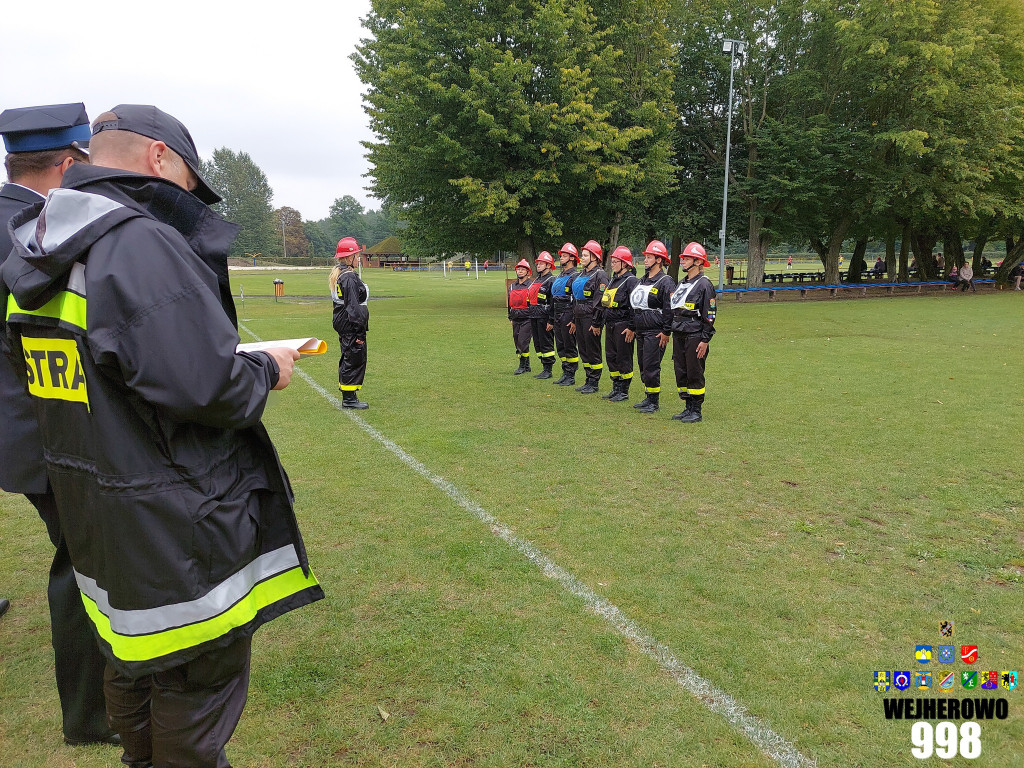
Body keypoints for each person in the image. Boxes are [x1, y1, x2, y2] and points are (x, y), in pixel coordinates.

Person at [0, 104, 324, 768]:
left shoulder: (37, 242)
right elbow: (209, 387)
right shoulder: (134, 240)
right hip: (172, 519)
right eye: (186, 180)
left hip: (99, 510)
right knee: (194, 687)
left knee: (131, 663)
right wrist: (265, 366)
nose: (185, 198)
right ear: (157, 159)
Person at [0, 103, 118, 747]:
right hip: (47, 427)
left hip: (22, 428)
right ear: (72, 163)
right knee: (84, 564)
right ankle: (92, 714)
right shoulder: (29, 229)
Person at [669, 242, 716, 423]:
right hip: (679, 333)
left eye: (687, 259)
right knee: (681, 371)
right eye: (683, 258)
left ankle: (696, 410)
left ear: (698, 262)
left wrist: (705, 339)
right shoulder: (682, 283)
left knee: (694, 371)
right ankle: (687, 407)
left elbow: (710, 314)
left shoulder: (704, 285)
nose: (683, 262)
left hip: (695, 335)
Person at [630, 241, 676, 414]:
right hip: (641, 329)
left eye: (649, 257)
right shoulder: (643, 279)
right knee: (643, 364)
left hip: (655, 331)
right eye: (646, 256)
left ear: (659, 260)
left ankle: (654, 402)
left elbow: (669, 308)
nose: (645, 260)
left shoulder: (666, 282)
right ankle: (648, 396)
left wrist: (666, 331)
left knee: (651, 365)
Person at [329, 237, 370, 408]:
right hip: (350, 324)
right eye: (356, 255)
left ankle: (349, 395)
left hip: (344, 322)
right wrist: (359, 332)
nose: (359, 258)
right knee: (353, 357)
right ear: (348, 258)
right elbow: (353, 306)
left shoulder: (341, 273)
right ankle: (349, 399)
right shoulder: (348, 277)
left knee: (350, 355)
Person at [599, 246, 639, 402]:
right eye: (613, 261)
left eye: (616, 262)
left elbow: (634, 307)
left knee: (623, 357)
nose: (613, 264)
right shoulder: (613, 280)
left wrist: (631, 327)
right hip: (610, 324)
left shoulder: (631, 281)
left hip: (623, 325)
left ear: (625, 264)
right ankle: (616, 387)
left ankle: (624, 390)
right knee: (611, 356)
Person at [571, 239, 608, 394]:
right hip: (579, 316)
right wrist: (574, 320)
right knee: (583, 349)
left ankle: (594, 381)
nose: (582, 258)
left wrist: (597, 322)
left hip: (590, 317)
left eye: (585, 255)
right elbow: (575, 298)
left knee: (592, 350)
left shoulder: (601, 275)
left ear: (594, 257)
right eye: (582, 255)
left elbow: (600, 301)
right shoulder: (581, 274)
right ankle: (588, 379)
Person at [549, 243, 580, 386]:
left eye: (564, 256)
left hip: (568, 311)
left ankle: (571, 374)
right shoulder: (560, 275)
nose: (561, 258)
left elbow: (576, 299)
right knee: (560, 344)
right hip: (557, 311)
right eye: (561, 256)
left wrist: (574, 319)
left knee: (569, 343)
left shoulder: (575, 275)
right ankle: (565, 372)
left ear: (572, 258)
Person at [529, 251, 557, 379]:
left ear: (548, 265)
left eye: (541, 263)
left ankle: (548, 369)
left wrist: (551, 320)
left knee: (546, 342)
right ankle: (543, 366)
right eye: (538, 263)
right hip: (534, 315)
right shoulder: (537, 279)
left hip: (544, 316)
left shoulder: (552, 280)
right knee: (538, 343)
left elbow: (553, 302)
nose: (538, 265)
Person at [508, 258, 534, 374]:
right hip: (515, 318)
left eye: (523, 269)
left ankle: (522, 365)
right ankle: (527, 365)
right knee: (517, 342)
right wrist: (510, 317)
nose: (520, 271)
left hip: (527, 318)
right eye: (519, 269)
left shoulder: (531, 286)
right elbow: (510, 303)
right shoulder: (512, 287)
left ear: (528, 272)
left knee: (523, 342)